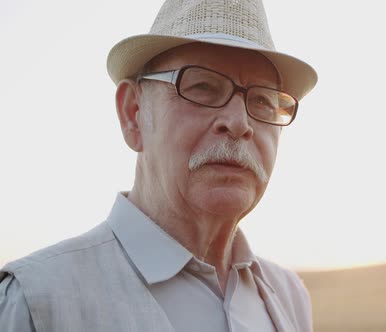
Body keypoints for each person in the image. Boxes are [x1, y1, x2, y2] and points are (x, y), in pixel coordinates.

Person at [0, 0, 317, 331]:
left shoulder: (289, 296)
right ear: (134, 114)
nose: (239, 123)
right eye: (203, 86)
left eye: (263, 99)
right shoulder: (34, 303)